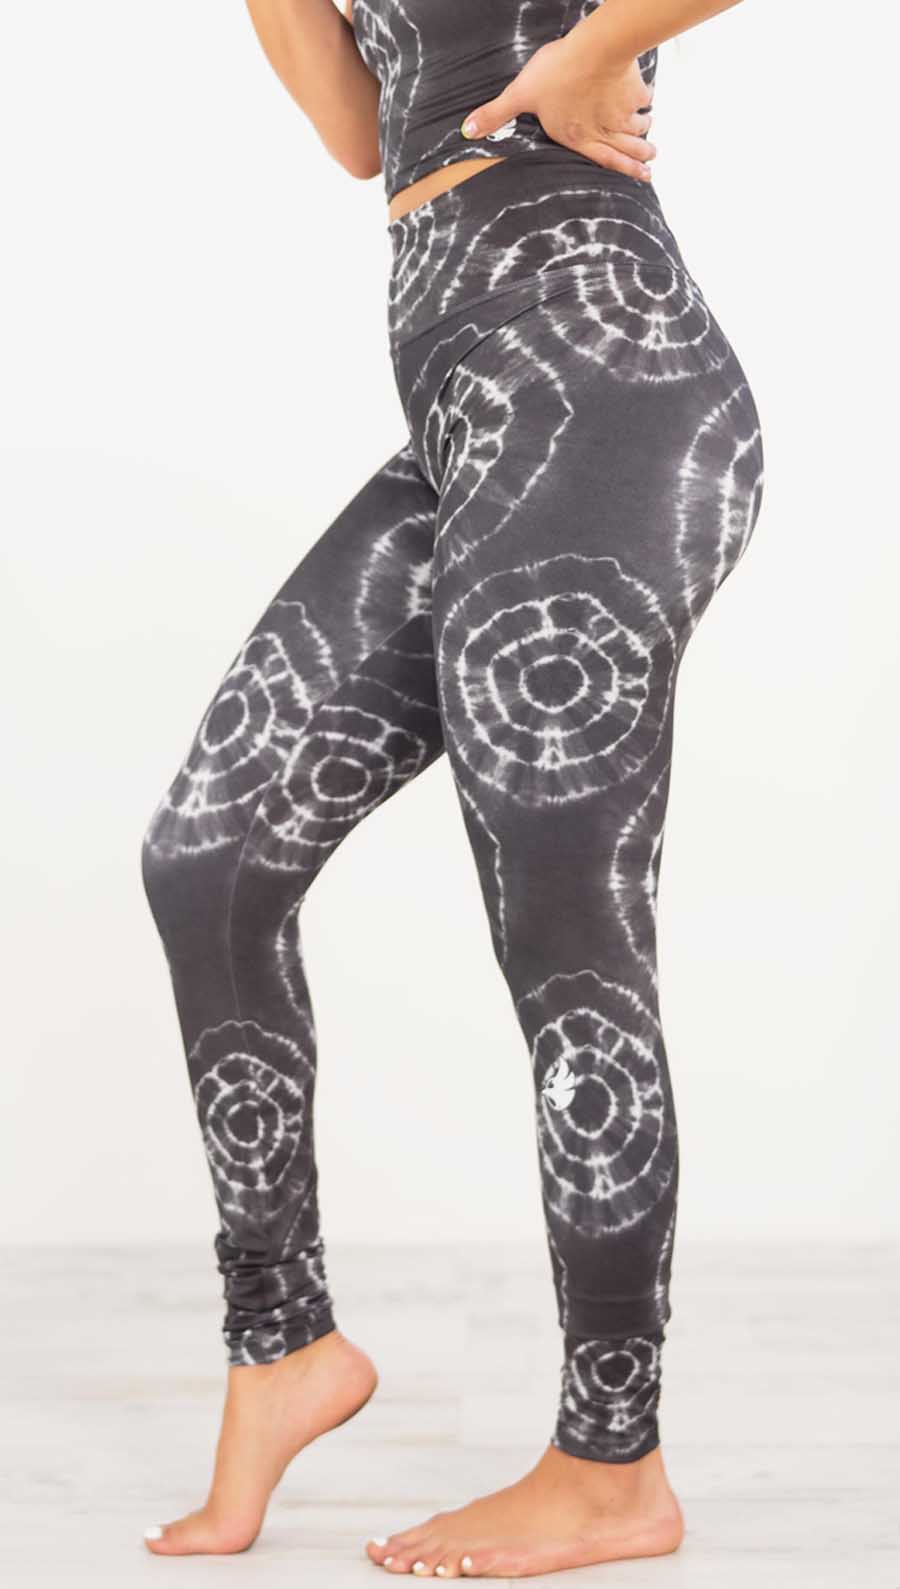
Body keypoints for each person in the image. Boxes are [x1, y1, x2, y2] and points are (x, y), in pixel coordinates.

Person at [140, 0, 763, 1575]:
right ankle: (284, 1344)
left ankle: (613, 1466)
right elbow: (363, 136)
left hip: (601, 373)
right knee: (209, 857)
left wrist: (589, 51)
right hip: (470, 413)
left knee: (565, 935)